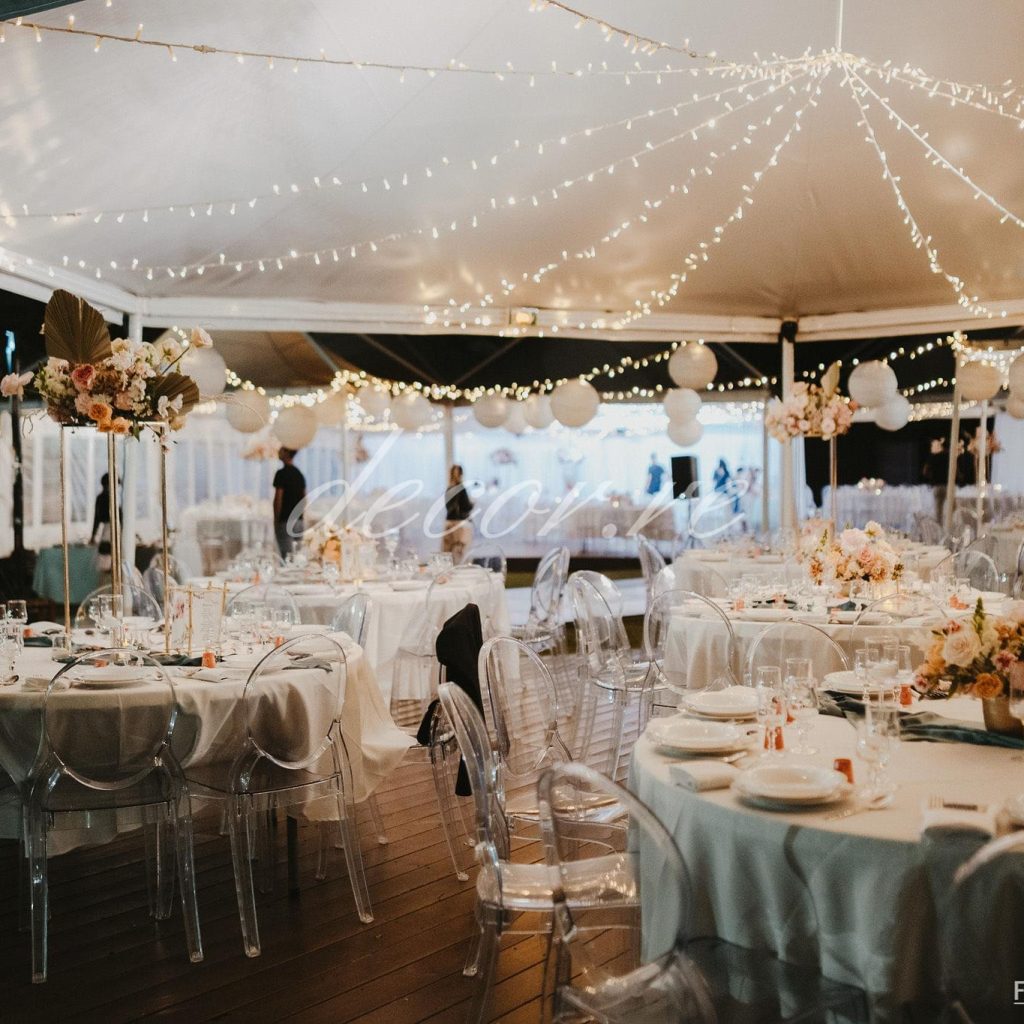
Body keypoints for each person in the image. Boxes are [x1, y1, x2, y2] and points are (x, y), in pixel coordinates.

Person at [273, 447, 306, 557]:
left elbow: (278, 499)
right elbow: (304, 499)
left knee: (286, 558)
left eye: (281, 449)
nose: (279, 451)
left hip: (285, 521)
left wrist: (276, 520)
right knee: (297, 557)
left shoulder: (281, 474)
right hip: (299, 521)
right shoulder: (299, 474)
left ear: (287, 453)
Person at [443, 464, 473, 564]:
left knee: (450, 551)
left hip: (451, 522)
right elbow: (466, 506)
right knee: (458, 551)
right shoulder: (460, 489)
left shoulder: (450, 489)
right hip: (459, 523)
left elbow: (449, 506)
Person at [91, 472, 112, 571]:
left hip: (110, 530)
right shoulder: (104, 498)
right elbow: (97, 518)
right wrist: (93, 535)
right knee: (106, 560)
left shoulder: (113, 497)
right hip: (108, 529)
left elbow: (96, 519)